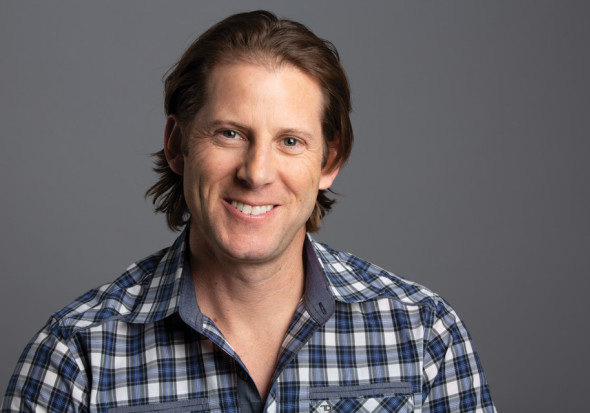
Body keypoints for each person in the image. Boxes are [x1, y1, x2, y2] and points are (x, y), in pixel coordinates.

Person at [2, 10, 496, 413]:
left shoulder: (423, 333)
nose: (256, 173)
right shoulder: (77, 356)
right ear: (176, 146)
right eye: (230, 134)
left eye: (290, 141)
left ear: (329, 162)